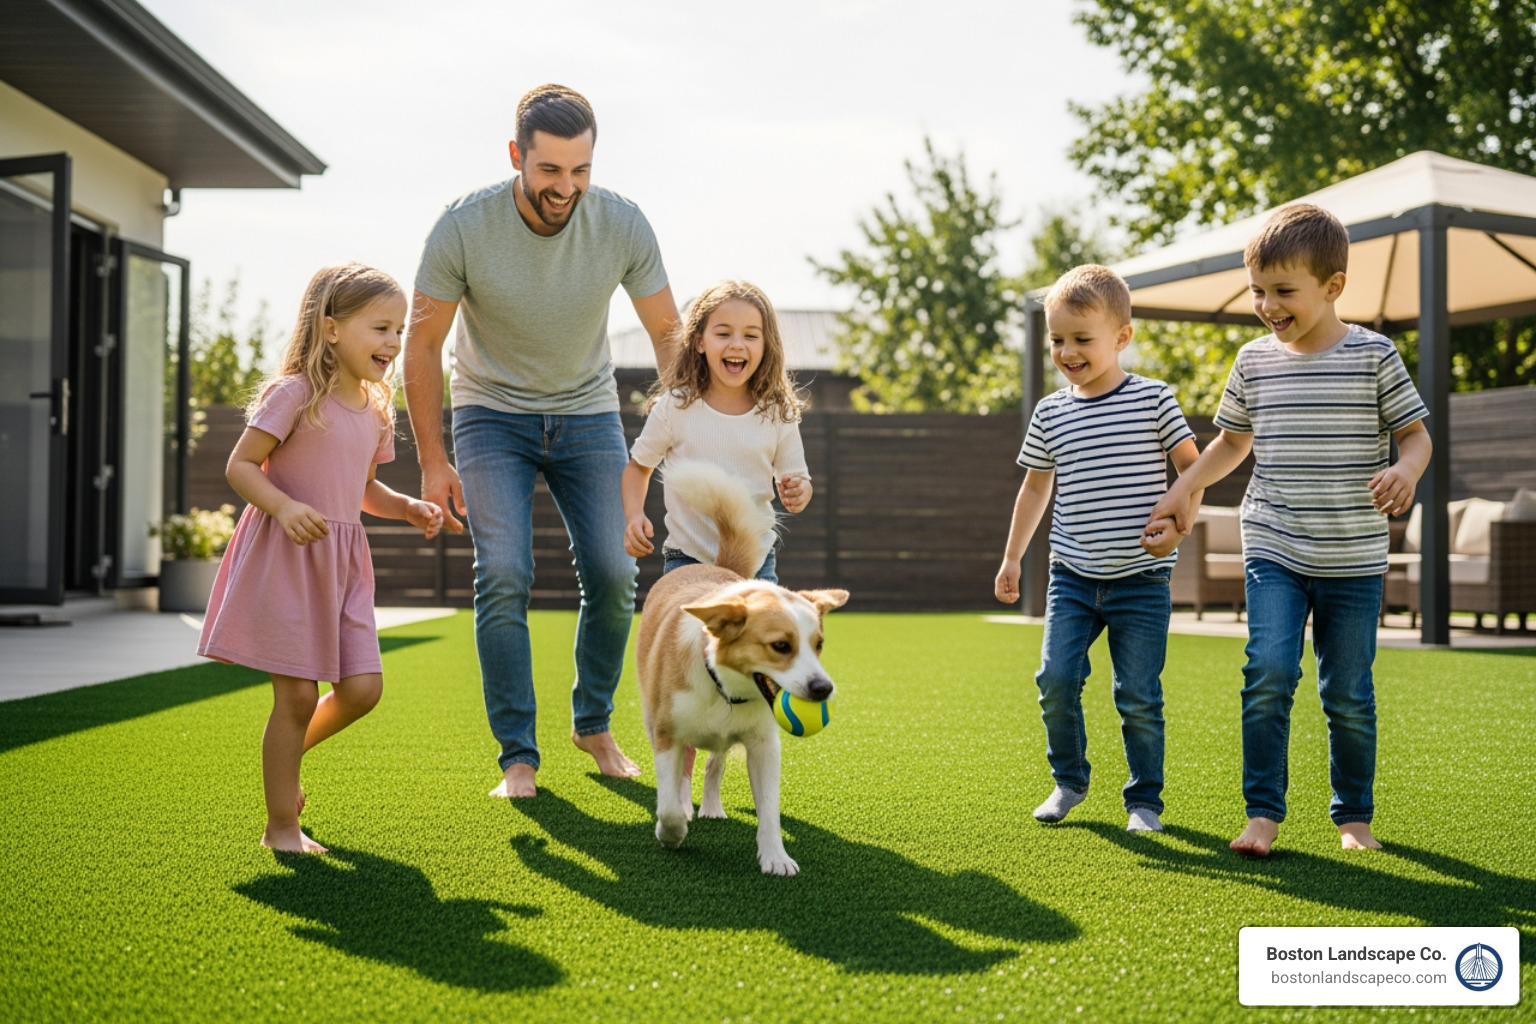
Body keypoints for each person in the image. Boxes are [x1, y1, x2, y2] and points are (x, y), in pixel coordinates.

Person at [403, 84, 679, 799]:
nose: (567, 187)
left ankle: (592, 722)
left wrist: (681, 434)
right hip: (490, 414)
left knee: (618, 576)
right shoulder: (463, 226)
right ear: (516, 156)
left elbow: (669, 336)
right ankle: (517, 758)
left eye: (581, 170)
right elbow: (423, 341)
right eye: (551, 170)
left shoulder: (621, 223)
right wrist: (434, 460)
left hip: (588, 414)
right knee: (504, 572)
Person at [1145, 203, 1431, 856]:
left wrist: (1406, 471)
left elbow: (1416, 437)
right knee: (1269, 669)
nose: (1267, 305)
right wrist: (1182, 489)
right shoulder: (1252, 361)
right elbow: (1229, 444)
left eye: (1283, 291)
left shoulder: (1374, 356)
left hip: (1354, 557)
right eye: (1258, 291)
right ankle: (1262, 815)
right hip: (1273, 543)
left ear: (1332, 288)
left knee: (1349, 692)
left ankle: (1353, 818)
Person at [198, 263, 445, 854]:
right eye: (380, 328)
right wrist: (283, 508)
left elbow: (363, 490)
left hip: (344, 565)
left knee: (362, 690)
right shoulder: (294, 394)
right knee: (299, 697)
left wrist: (407, 507)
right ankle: (281, 826)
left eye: (399, 331)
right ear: (331, 329)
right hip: (288, 556)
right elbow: (239, 466)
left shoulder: (377, 408)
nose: (393, 342)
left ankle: (285, 758)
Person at [995, 264, 1202, 833]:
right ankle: (1069, 780)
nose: (1067, 351)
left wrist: (1180, 525)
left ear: (1121, 337)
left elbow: (1194, 469)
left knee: (1137, 694)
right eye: (1057, 340)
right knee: (1055, 681)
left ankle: (1144, 803)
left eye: (1082, 339)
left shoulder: (1154, 400)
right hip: (1073, 577)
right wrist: (1013, 556)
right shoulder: (1050, 413)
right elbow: (1035, 486)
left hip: (1141, 580)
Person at [621, 280, 811, 582]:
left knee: (754, 633)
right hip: (687, 561)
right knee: (683, 631)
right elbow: (638, 468)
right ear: (699, 342)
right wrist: (634, 516)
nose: (737, 344)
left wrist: (799, 492)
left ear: (765, 345)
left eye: (751, 335)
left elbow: (798, 478)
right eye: (723, 333)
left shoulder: (778, 413)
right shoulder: (676, 406)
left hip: (755, 564)